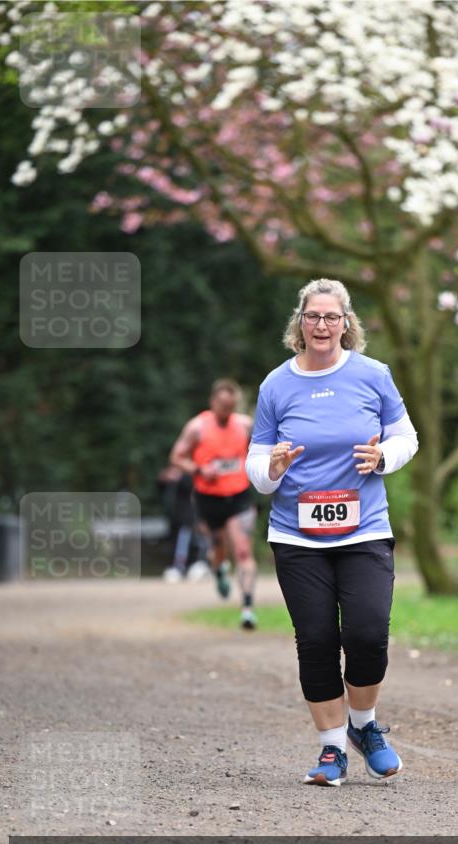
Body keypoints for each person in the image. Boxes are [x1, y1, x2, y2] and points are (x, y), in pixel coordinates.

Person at [246, 277, 418, 787]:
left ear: (347, 324)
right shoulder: (276, 385)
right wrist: (273, 465)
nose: (322, 325)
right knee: (316, 640)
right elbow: (255, 467)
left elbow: (406, 436)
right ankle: (331, 750)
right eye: (313, 316)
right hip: (297, 537)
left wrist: (383, 456)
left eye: (332, 317)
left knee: (367, 633)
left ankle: (364, 726)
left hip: (363, 528)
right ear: (299, 324)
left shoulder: (373, 375)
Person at [170, 378, 259, 628]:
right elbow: (176, 457)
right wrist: (198, 469)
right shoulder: (197, 427)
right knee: (216, 549)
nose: (226, 412)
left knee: (242, 550)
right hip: (208, 498)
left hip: (238, 496)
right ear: (212, 403)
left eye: (230, 407)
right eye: (221, 406)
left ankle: (248, 609)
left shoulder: (244, 425)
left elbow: (261, 450)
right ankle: (219, 568)